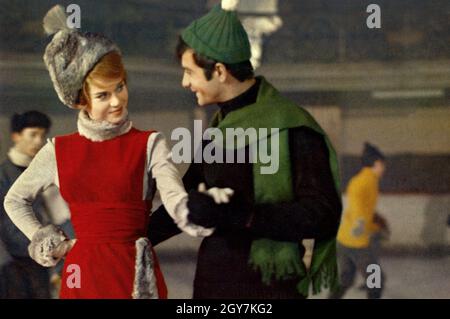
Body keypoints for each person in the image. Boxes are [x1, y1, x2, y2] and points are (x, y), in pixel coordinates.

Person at [3, 5, 214, 299]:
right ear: (80, 100)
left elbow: (175, 199)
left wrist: (200, 211)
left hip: (134, 275)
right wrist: (47, 240)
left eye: (120, 87)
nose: (117, 101)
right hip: (80, 274)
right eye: (103, 94)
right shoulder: (58, 150)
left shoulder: (150, 144)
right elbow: (14, 200)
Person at [147, 0, 342, 299]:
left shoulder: (292, 128)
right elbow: (183, 201)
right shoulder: (219, 129)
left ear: (220, 71)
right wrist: (132, 239)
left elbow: (322, 214)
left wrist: (244, 216)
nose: (185, 82)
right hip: (214, 284)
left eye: (190, 72)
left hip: (271, 289)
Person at [0, 111, 53, 298]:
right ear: (16, 136)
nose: (38, 141)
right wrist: (5, 263)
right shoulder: (3, 175)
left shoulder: (45, 171)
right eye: (33, 135)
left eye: (42, 135)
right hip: (11, 261)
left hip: (41, 259)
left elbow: (57, 215)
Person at [331, 142, 388, 299]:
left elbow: (364, 207)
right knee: (376, 281)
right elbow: (357, 206)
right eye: (383, 165)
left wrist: (374, 222)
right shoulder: (363, 182)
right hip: (358, 242)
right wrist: (361, 224)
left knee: (346, 280)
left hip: (345, 239)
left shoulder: (369, 179)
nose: (384, 168)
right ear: (376, 164)